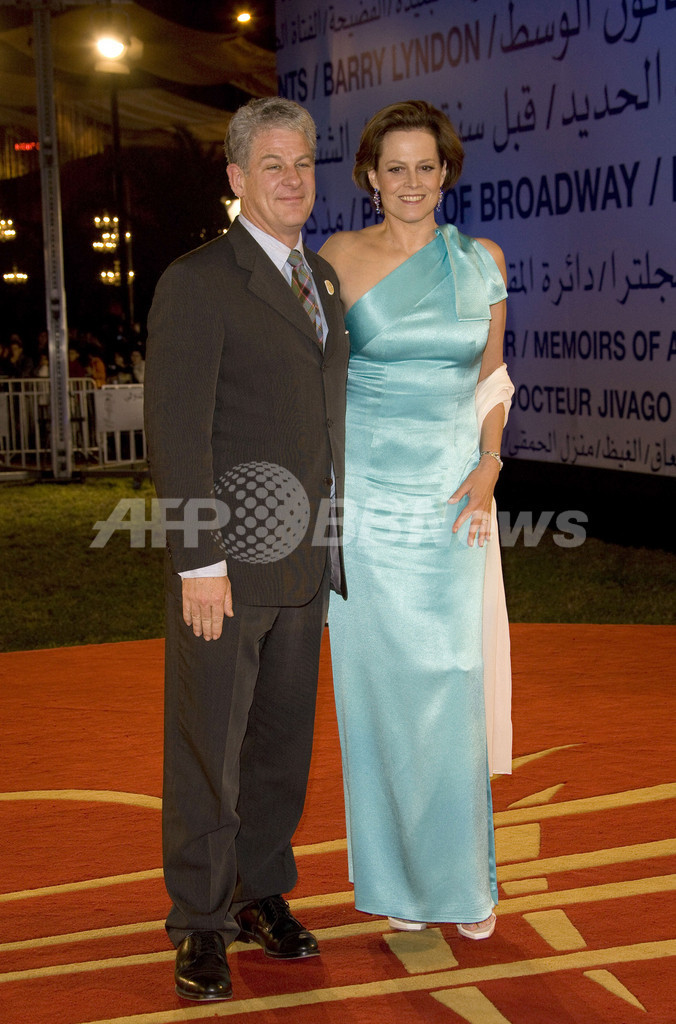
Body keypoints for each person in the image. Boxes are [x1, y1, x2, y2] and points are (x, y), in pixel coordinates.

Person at [144, 97, 348, 1003]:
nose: (292, 179)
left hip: (305, 561)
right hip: (224, 568)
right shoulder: (199, 281)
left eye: (302, 162)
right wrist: (198, 560)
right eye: (272, 164)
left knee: (279, 746)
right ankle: (199, 923)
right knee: (208, 749)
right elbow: (177, 431)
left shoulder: (321, 281)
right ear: (236, 178)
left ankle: (262, 892)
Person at [320, 100, 514, 939]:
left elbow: (492, 377)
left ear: (445, 173)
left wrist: (490, 462)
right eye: (394, 167)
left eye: (425, 167)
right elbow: (313, 376)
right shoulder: (336, 257)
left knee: (454, 679)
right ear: (370, 175)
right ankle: (398, 883)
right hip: (364, 502)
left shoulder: (482, 261)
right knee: (378, 696)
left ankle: (464, 883)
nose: (410, 182)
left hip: (454, 498)